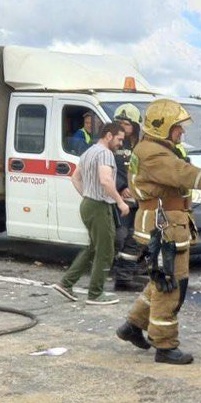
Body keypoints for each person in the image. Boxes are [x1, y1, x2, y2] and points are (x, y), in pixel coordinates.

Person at [116, 98, 201, 364]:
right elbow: (182, 173)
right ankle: (164, 345)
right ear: (162, 127)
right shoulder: (153, 152)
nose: (182, 132)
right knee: (170, 285)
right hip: (164, 227)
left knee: (160, 279)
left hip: (168, 223)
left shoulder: (154, 148)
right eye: (177, 127)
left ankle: (133, 326)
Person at [53, 121, 129, 306]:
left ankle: (65, 283)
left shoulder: (89, 152)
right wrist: (120, 202)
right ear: (109, 136)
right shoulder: (105, 153)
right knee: (106, 250)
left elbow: (75, 178)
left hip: (88, 204)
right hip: (99, 206)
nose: (121, 143)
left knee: (94, 247)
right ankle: (95, 294)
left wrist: (87, 195)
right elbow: (105, 180)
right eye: (119, 139)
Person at [111, 102, 146, 292]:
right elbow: (108, 169)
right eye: (119, 122)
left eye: (126, 124)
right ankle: (122, 276)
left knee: (138, 237)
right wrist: (122, 186)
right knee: (122, 237)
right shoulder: (113, 143)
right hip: (120, 198)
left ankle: (131, 272)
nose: (122, 127)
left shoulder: (140, 145)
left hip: (139, 198)